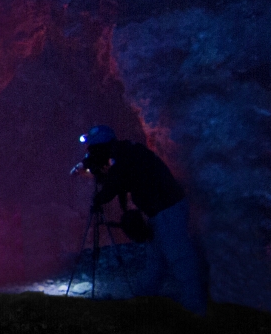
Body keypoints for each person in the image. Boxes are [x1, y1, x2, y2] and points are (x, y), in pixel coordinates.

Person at [77, 125, 209, 314]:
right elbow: (118, 179)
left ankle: (196, 307)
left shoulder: (124, 156)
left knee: (179, 257)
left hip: (166, 209)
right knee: (157, 259)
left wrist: (100, 195)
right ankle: (144, 297)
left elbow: (114, 183)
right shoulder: (127, 152)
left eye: (93, 149)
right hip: (162, 210)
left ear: (102, 146)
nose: (92, 154)